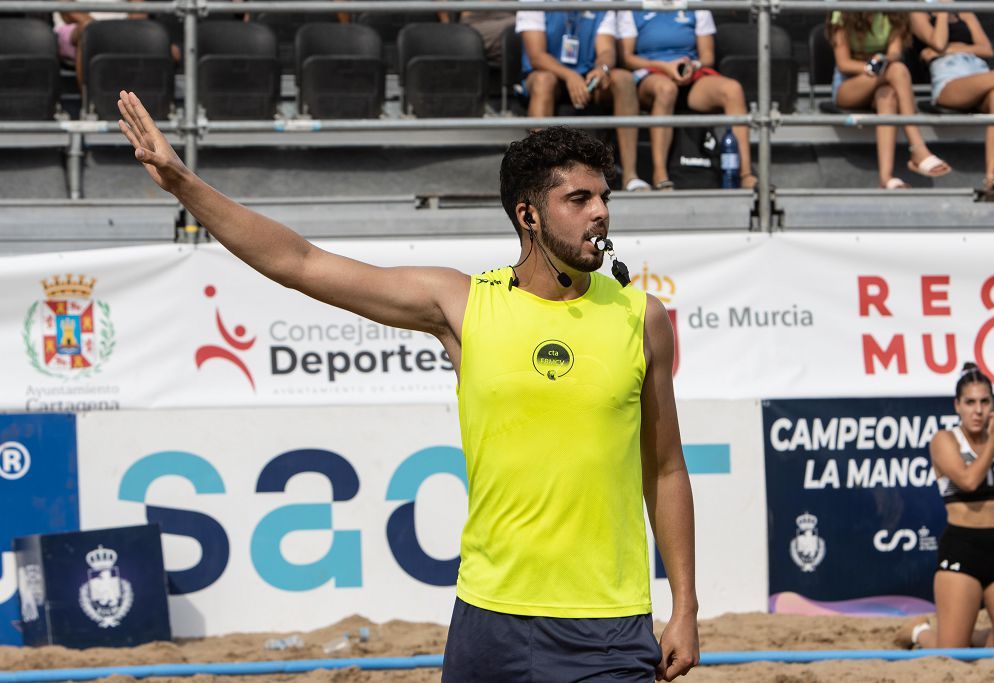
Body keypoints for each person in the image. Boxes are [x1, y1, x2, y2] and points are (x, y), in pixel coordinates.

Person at [116, 90, 699, 681]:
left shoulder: (640, 315)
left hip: (608, 625)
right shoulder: (463, 303)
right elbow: (300, 262)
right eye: (579, 198)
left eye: (603, 197)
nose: (600, 211)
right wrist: (182, 182)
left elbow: (667, 468)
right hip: (489, 619)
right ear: (528, 214)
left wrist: (686, 607)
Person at [903, 363, 994, 649]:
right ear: (957, 406)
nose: (978, 410)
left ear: (993, 404)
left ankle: (962, 636)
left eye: (984, 401)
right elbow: (969, 481)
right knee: (952, 653)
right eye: (970, 402)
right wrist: (993, 440)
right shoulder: (945, 441)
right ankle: (918, 632)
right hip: (963, 548)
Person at [616, 9, 757, 190]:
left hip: (689, 74)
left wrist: (692, 65)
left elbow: (707, 57)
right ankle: (660, 174)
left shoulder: (696, 6)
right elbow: (627, 58)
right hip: (650, 73)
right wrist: (663, 67)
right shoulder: (632, 7)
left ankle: (745, 175)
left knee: (733, 90)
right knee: (666, 89)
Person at [516, 1, 649, 192]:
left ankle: (630, 175)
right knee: (544, 81)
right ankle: (538, 175)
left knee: (624, 80)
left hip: (587, 78)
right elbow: (537, 56)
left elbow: (606, 50)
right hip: (547, 74)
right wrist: (570, 76)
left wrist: (601, 68)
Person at [830, 11, 953, 189]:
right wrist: (871, 67)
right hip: (849, 85)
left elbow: (894, 53)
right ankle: (918, 149)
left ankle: (886, 178)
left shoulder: (895, 12)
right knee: (897, 70)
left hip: (882, 77)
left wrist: (883, 61)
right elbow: (844, 63)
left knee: (888, 97)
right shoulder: (841, 11)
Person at [911, 4, 994, 194]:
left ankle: (990, 177)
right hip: (949, 78)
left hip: (977, 70)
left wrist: (952, 48)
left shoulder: (964, 10)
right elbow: (937, 42)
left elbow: (987, 49)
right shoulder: (917, 13)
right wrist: (942, 11)